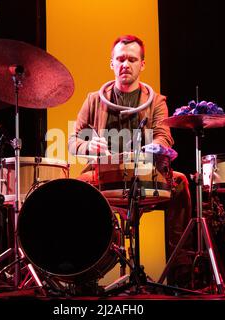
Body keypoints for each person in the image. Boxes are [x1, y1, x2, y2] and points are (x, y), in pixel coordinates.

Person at [68, 35, 192, 287]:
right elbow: (72, 141)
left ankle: (181, 273)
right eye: (120, 59)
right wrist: (88, 145)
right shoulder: (94, 99)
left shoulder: (156, 101)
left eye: (132, 59)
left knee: (180, 184)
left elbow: (164, 135)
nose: (126, 64)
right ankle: (84, 275)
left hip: (144, 172)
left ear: (142, 64)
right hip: (103, 174)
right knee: (77, 190)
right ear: (111, 64)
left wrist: (155, 146)